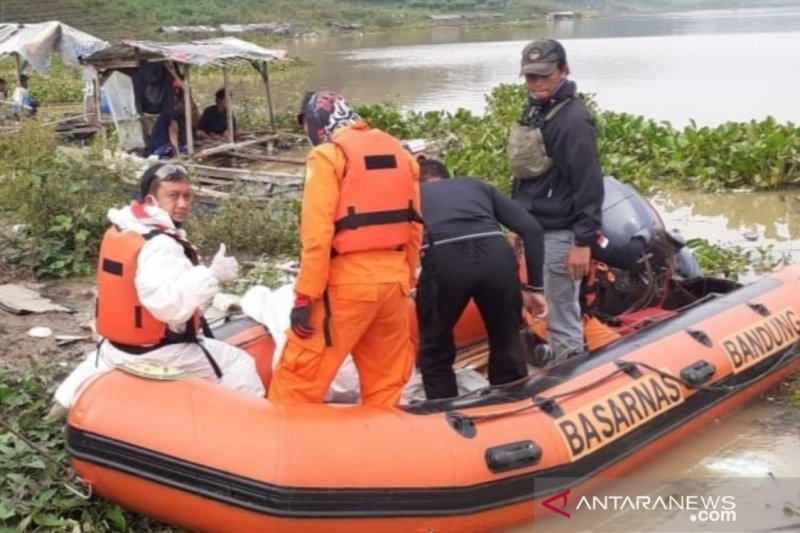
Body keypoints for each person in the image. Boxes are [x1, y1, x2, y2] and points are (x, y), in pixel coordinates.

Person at [51, 163, 265, 417]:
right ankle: (245, 425)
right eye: (173, 196)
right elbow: (168, 308)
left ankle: (57, 410)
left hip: (114, 347)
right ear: (152, 199)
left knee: (89, 368)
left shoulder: (124, 227)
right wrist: (212, 275)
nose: (183, 203)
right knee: (237, 362)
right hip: (157, 350)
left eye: (187, 196)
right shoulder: (160, 245)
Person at [268, 91, 423, 407]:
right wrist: (405, 278)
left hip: (346, 286)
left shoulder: (328, 156)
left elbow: (317, 235)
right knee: (386, 386)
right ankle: (378, 448)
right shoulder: (402, 154)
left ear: (315, 121)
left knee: (297, 381)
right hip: (394, 284)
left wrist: (304, 296)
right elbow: (415, 227)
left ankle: (286, 449)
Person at [416, 159, 548, 400]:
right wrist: (534, 288)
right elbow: (532, 229)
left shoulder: (412, 193)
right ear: (449, 176)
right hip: (496, 256)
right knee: (506, 339)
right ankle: (510, 405)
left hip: (445, 260)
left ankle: (445, 411)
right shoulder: (475, 185)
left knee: (435, 348)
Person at [508, 38, 604, 363]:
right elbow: (525, 174)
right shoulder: (535, 110)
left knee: (561, 315)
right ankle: (558, 362)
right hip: (534, 228)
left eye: (544, 75)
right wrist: (516, 222)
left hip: (560, 233)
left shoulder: (574, 120)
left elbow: (588, 184)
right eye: (530, 76)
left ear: (563, 71)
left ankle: (573, 377)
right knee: (544, 305)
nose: (536, 83)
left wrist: (583, 242)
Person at [146, 89, 188, 158]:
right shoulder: (172, 115)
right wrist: (177, 153)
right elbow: (173, 131)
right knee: (187, 149)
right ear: (180, 103)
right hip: (160, 148)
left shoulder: (174, 114)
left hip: (160, 147)